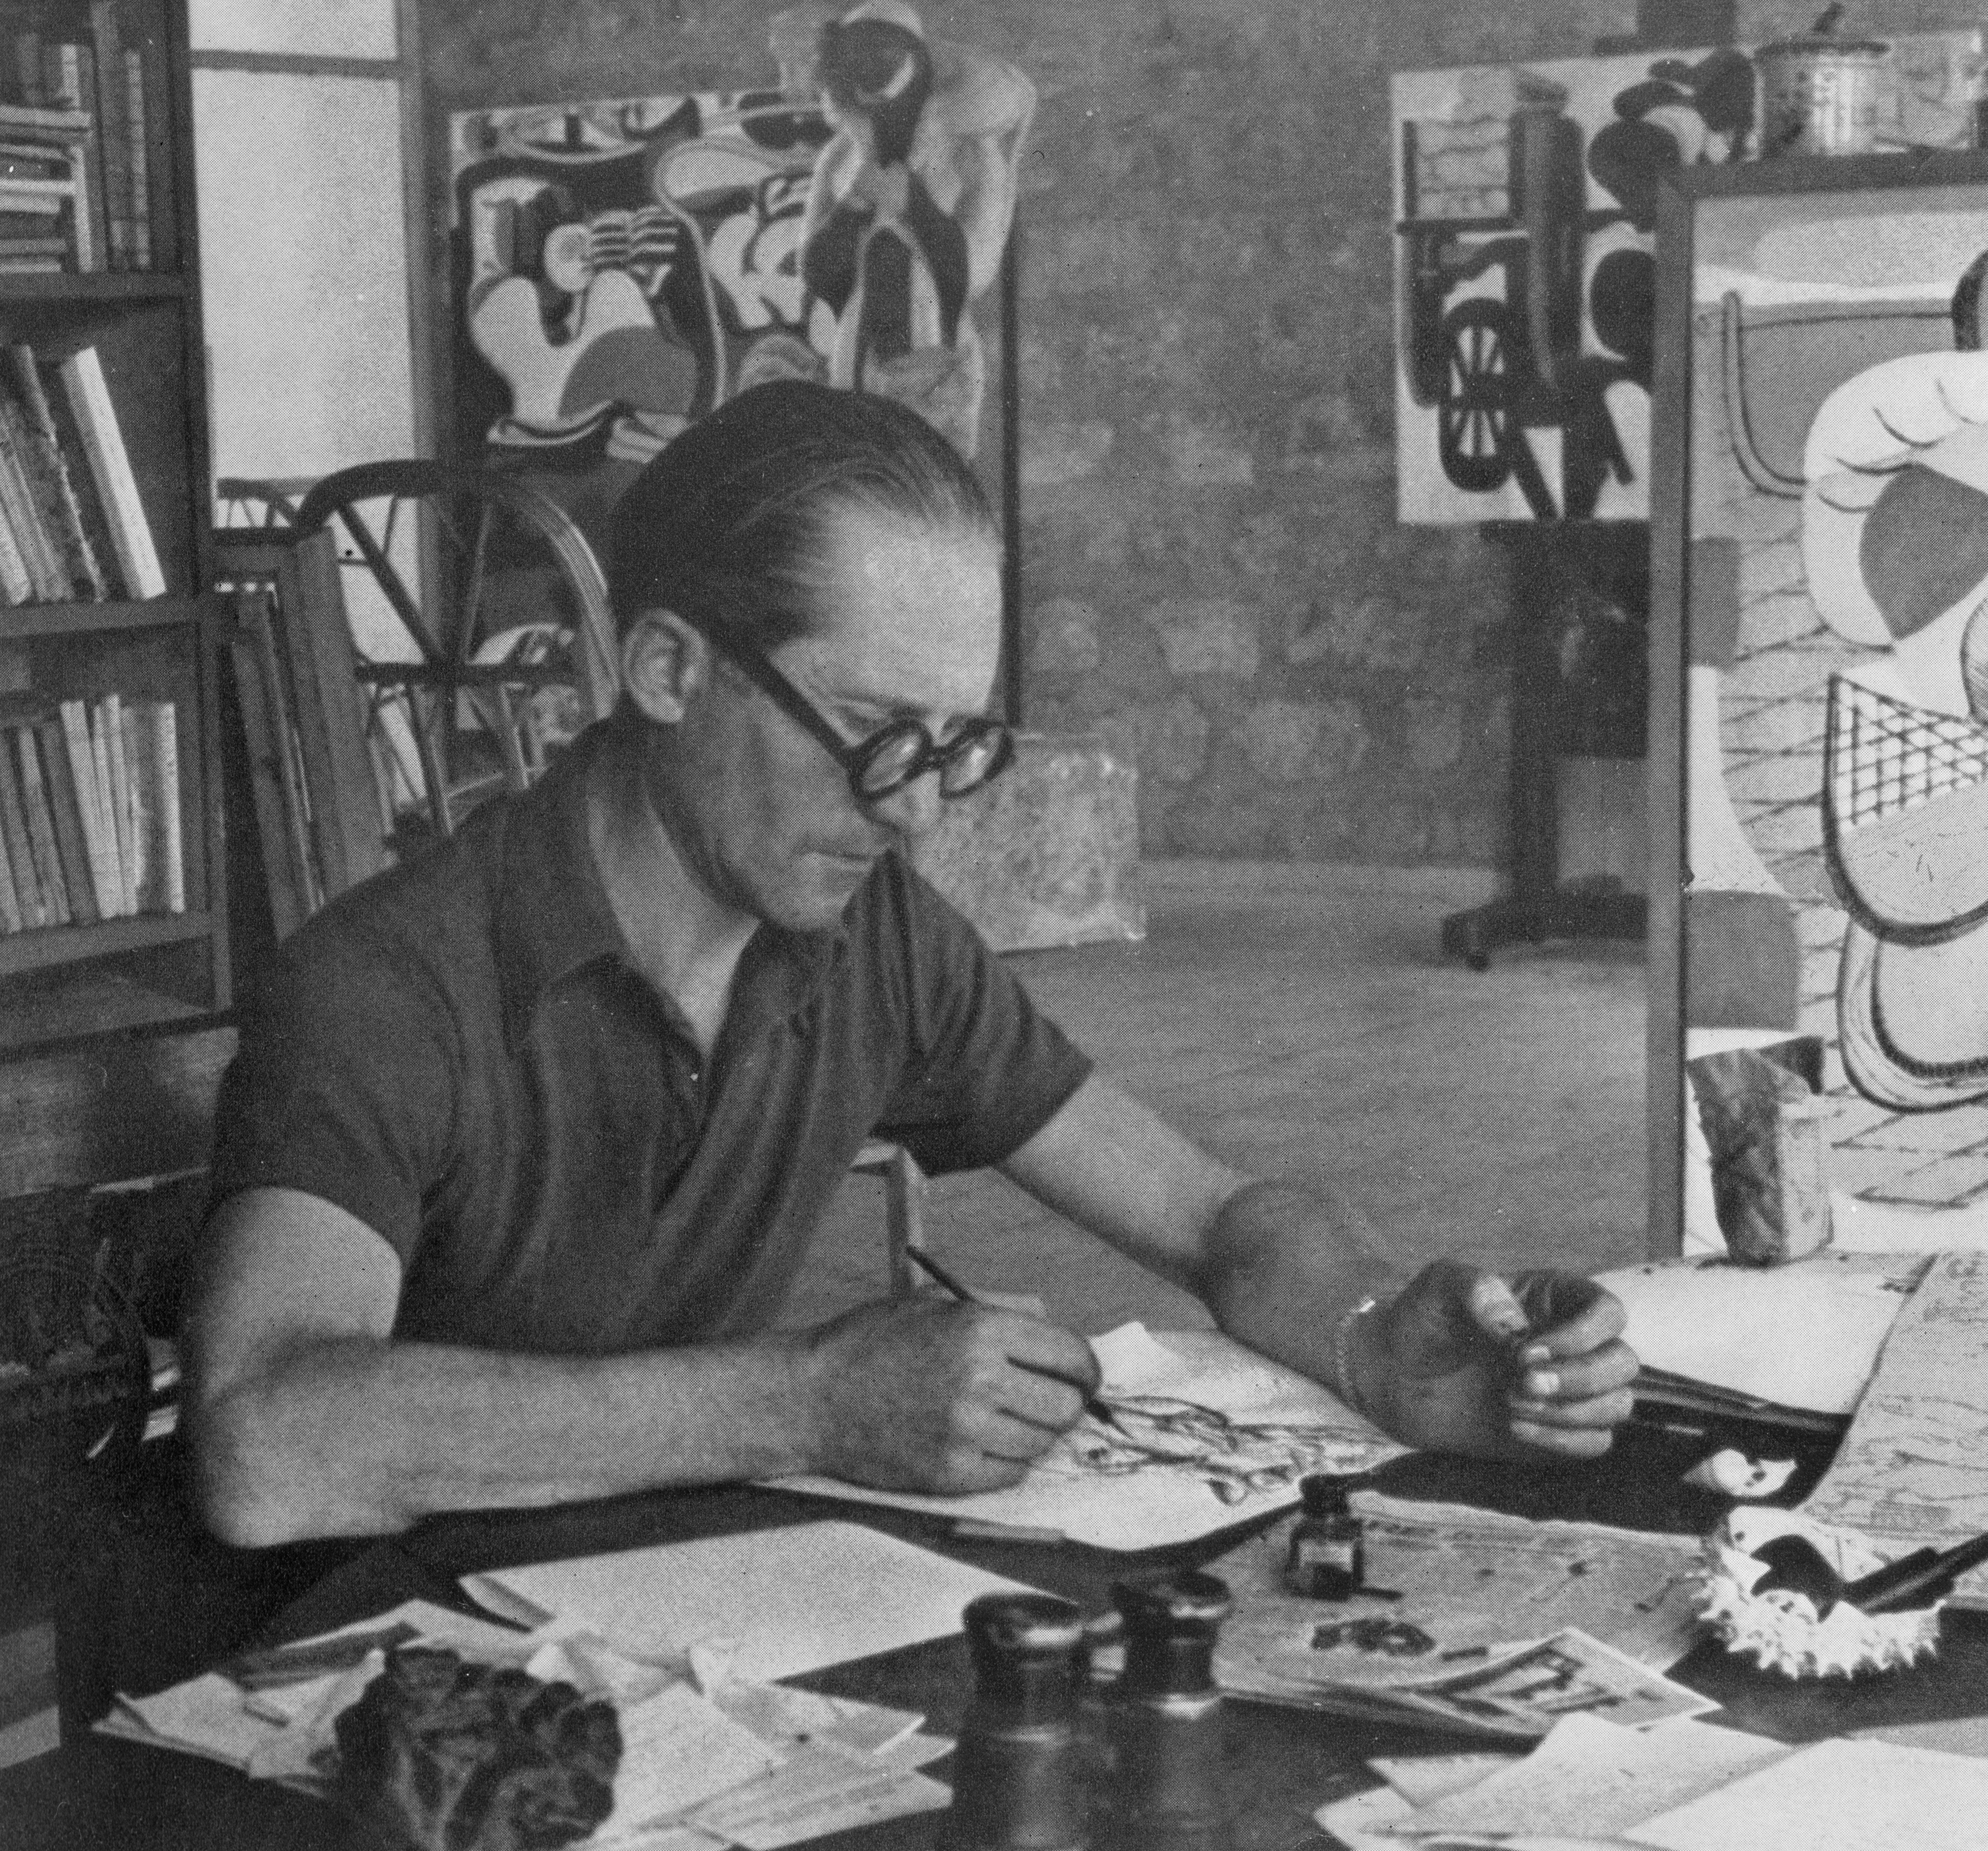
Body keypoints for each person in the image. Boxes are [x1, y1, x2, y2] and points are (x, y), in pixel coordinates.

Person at [183, 380, 1634, 1554]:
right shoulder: (389, 987)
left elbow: (1212, 1218)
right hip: (340, 1679)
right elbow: (266, 1444)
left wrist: (1376, 1335)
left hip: (637, 1619)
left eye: (955, 744)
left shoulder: (866, 938)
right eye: (874, 730)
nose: (917, 807)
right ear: (669, 670)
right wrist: (802, 1403)